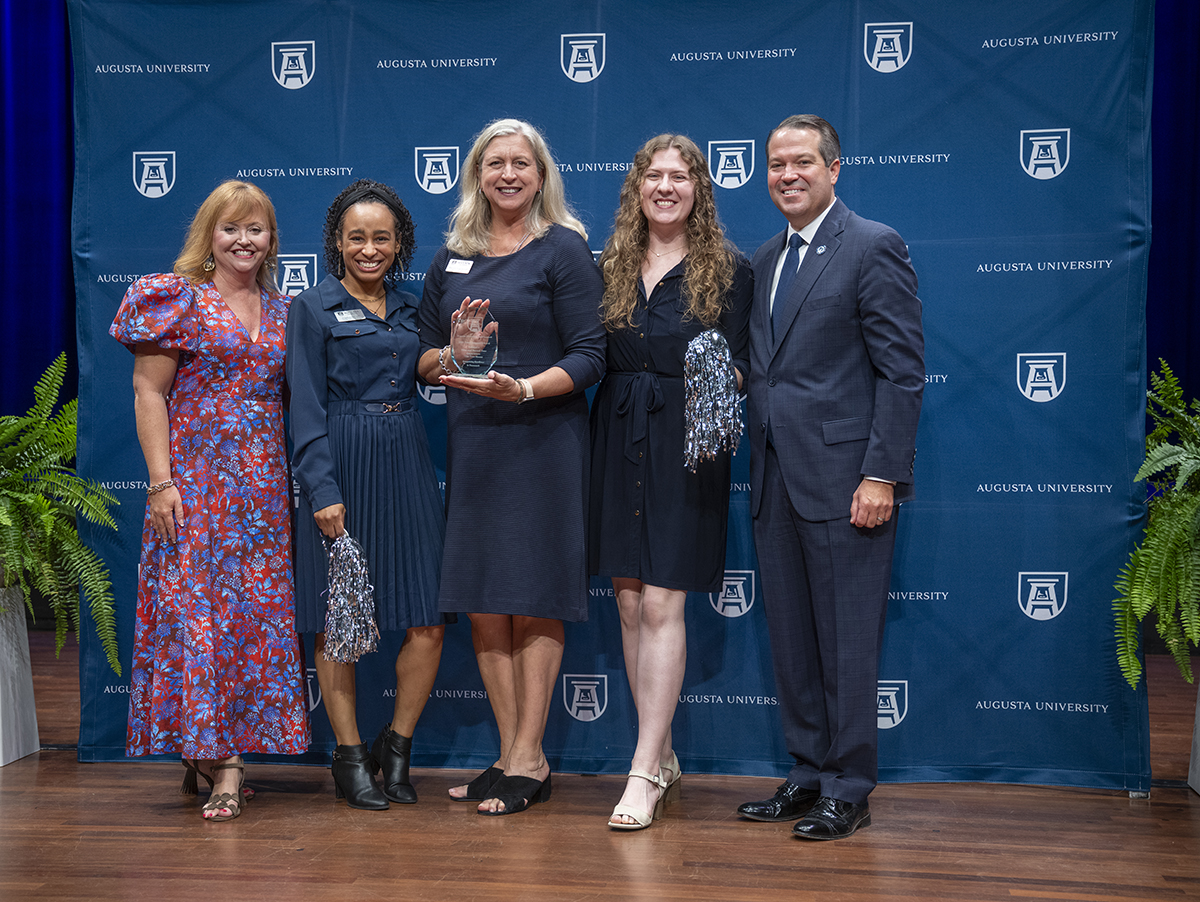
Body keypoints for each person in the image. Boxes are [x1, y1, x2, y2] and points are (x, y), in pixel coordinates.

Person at [737, 115, 923, 840]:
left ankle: (850, 787)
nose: (788, 174)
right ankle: (809, 773)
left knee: (846, 641)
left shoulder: (872, 245)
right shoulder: (765, 258)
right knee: (793, 638)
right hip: (775, 478)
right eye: (776, 163)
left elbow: (902, 374)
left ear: (834, 168)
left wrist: (881, 475)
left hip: (849, 481)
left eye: (803, 162)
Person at [417, 118, 605, 816]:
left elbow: (591, 355)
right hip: (475, 444)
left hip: (543, 440)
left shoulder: (564, 250)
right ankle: (507, 753)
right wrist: (454, 356)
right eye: (494, 163)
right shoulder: (453, 256)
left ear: (541, 173)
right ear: (476, 174)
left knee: (535, 595)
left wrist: (524, 388)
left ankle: (531, 754)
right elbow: (422, 357)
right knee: (485, 597)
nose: (507, 174)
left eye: (521, 163)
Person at [110, 180, 310, 821]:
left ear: (272, 240)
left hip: (262, 494)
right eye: (231, 229)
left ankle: (210, 751)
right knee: (200, 619)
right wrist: (162, 481)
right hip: (194, 487)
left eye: (256, 230)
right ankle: (222, 761)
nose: (244, 240)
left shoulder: (286, 313)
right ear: (210, 236)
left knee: (252, 623)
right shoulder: (179, 302)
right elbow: (149, 394)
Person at [590, 134, 751, 830]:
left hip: (688, 444)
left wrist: (717, 369)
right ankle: (661, 750)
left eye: (679, 176)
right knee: (628, 605)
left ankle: (643, 769)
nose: (665, 185)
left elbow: (746, 369)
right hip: (616, 433)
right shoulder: (609, 266)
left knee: (662, 604)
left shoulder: (732, 270)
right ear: (636, 186)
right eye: (652, 174)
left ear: (698, 190)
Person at [287, 180, 446, 810]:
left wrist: (458, 353)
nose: (369, 248)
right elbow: (304, 407)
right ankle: (349, 756)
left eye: (382, 237)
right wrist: (321, 489)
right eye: (357, 237)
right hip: (342, 467)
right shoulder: (313, 307)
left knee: (428, 622)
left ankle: (397, 748)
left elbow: (437, 367)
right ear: (337, 242)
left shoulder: (413, 310)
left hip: (407, 460)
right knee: (337, 624)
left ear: (400, 242)